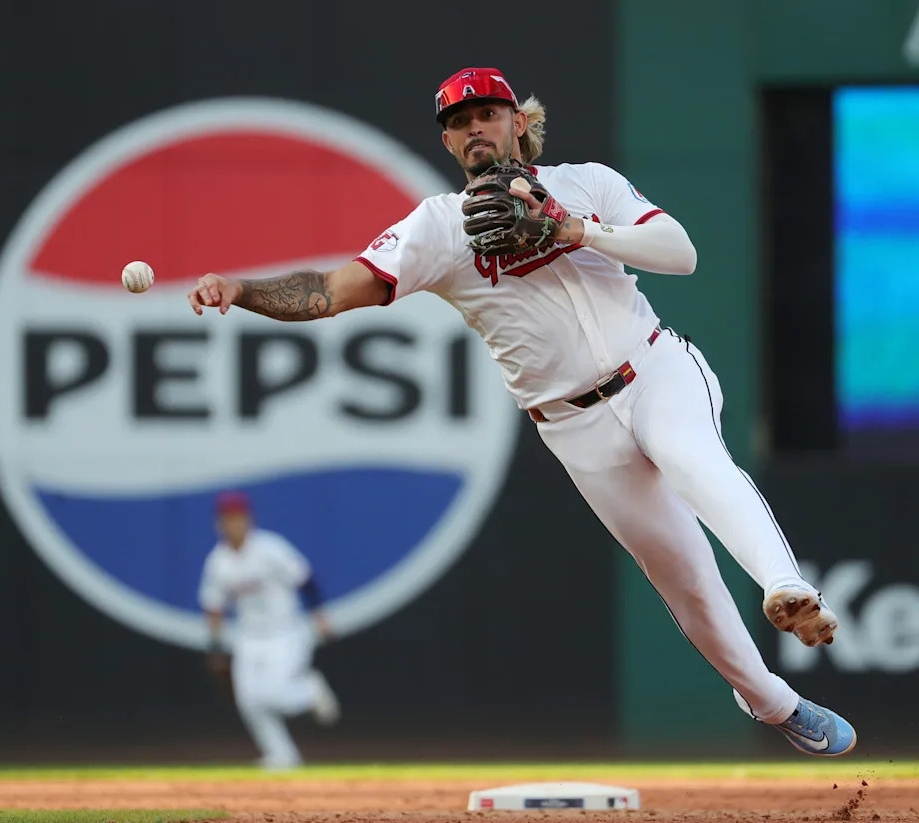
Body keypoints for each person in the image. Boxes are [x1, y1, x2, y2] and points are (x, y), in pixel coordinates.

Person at [187, 67, 856, 756]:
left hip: (655, 368)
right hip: (573, 423)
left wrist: (572, 227)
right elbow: (331, 289)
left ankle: (784, 585)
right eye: (458, 120)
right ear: (448, 141)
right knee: (683, 578)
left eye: (487, 113)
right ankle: (774, 701)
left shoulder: (585, 183)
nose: (474, 127)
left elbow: (679, 253)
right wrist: (240, 288)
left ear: (518, 123)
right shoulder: (439, 228)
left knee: (693, 457)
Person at [197, 491, 340, 769]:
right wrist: (215, 646)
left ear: (249, 520)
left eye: (238, 518)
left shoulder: (270, 548)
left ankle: (310, 690)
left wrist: (319, 617)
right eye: (228, 519)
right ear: (219, 524)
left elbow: (306, 580)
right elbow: (213, 606)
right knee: (249, 701)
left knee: (275, 695)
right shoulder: (218, 562)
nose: (234, 524)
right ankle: (282, 756)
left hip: (285, 631)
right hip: (249, 636)